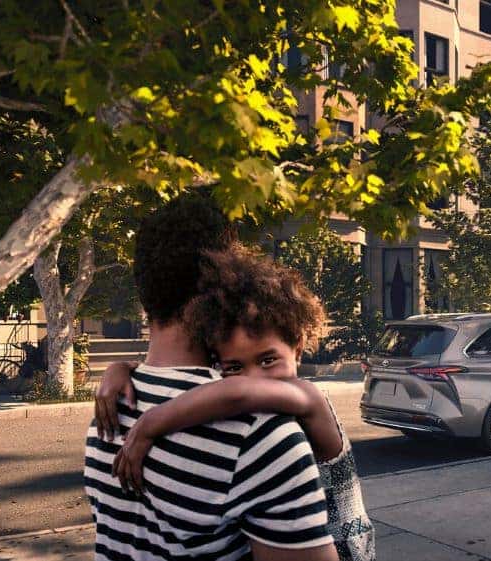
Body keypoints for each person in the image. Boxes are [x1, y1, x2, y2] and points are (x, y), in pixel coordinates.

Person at [84, 193, 337, 561]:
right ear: (225, 285)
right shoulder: (259, 431)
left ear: (144, 294)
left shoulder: (110, 407)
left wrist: (123, 368)